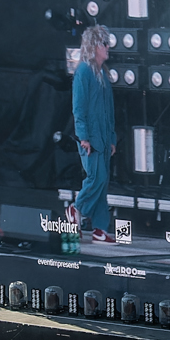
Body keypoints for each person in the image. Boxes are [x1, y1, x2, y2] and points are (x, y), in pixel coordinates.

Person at [72, 24, 117, 243]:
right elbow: (79, 108)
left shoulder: (103, 75)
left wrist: (112, 138)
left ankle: (99, 228)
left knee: (102, 182)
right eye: (104, 43)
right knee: (96, 179)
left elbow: (109, 110)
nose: (108, 47)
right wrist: (84, 138)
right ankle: (76, 210)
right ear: (94, 46)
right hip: (91, 139)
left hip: (104, 139)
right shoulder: (83, 72)